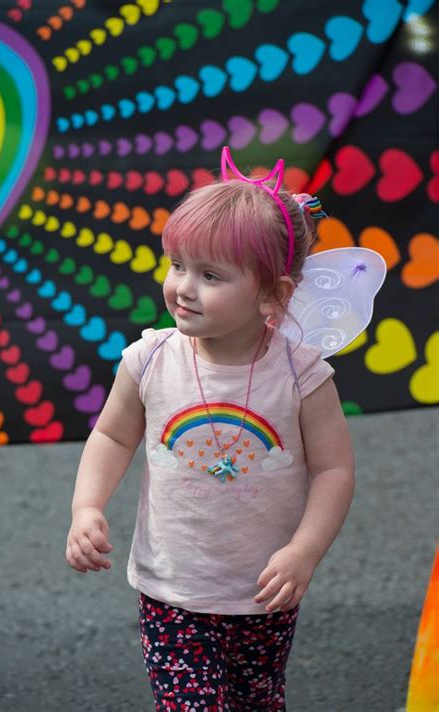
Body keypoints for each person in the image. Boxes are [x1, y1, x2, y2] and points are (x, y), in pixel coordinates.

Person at [65, 147, 355, 711]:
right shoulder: (149, 359)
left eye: (211, 275)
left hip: (265, 591)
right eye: (177, 265)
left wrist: (305, 550)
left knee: (258, 702)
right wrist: (86, 506)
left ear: (274, 293)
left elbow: (334, 469)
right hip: (173, 589)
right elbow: (112, 436)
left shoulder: (301, 374)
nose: (183, 287)